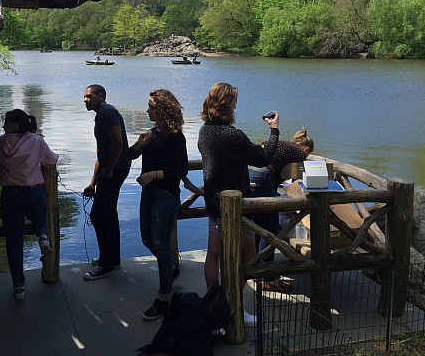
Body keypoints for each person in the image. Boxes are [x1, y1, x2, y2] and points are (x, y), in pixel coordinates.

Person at [197, 82, 279, 327]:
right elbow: (263, 157)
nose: (236, 105)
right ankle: (230, 305)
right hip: (234, 209)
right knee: (247, 258)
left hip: (213, 202)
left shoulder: (204, 131)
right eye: (234, 101)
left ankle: (214, 303)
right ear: (227, 104)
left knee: (213, 256)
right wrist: (274, 131)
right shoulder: (232, 135)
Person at [128, 89, 188, 320]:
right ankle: (169, 270)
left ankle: (164, 298)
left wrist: (153, 175)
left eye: (152, 107)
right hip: (148, 193)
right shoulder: (151, 134)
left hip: (166, 195)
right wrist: (138, 145)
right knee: (146, 239)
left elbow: (180, 169)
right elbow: (129, 155)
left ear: (164, 110)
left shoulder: (176, 137)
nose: (147, 110)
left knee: (161, 245)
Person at [0, 109, 59, 300]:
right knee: (38, 208)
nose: (3, 126)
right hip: (33, 192)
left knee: (14, 242)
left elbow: (0, 164)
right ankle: (42, 234)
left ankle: (19, 287)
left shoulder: (2, 141)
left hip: (10, 195)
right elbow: (50, 161)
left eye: (6, 122)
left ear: (15, 125)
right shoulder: (36, 140)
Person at [248, 127, 314, 290]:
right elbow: (299, 184)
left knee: (257, 224)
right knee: (269, 228)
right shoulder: (299, 154)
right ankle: (269, 278)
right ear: (306, 149)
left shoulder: (283, 145)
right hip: (262, 177)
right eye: (308, 155)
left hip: (248, 172)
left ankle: (257, 271)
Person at [83, 85, 130, 280]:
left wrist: (110, 169)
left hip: (116, 170)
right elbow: (101, 152)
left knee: (98, 215)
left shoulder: (107, 112)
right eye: (84, 97)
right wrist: (93, 182)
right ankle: (113, 258)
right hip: (110, 169)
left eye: (89, 96)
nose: (85, 100)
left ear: (100, 96)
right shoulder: (102, 113)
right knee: (109, 212)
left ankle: (106, 264)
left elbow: (118, 143)